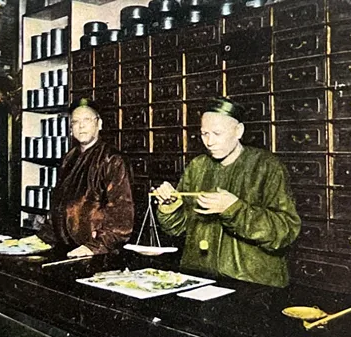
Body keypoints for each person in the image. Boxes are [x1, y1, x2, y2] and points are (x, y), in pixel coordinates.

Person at [154, 98, 301, 287]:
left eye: (217, 133)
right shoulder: (198, 167)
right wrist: (170, 207)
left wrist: (234, 209)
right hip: (199, 277)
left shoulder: (267, 167)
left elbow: (285, 232)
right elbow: (179, 229)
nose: (209, 142)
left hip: (250, 282)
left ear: (238, 131)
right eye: (204, 134)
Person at [46, 98, 134, 257]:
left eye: (87, 120)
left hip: (98, 251)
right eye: (75, 122)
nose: (81, 126)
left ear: (99, 124)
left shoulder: (112, 160)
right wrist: (43, 237)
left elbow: (122, 215)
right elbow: (60, 204)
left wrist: (95, 246)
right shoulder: (69, 158)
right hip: (67, 248)